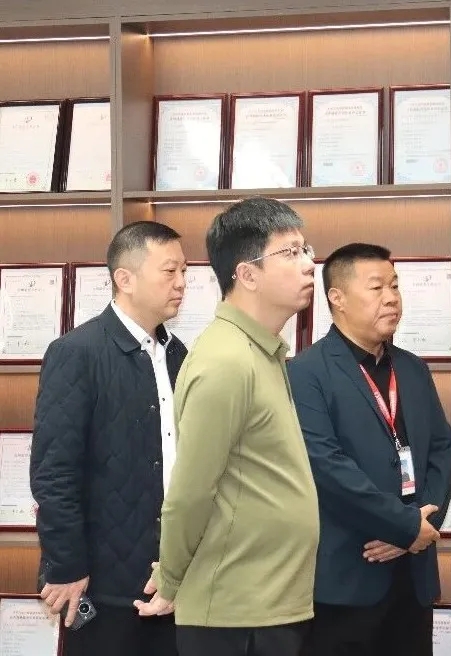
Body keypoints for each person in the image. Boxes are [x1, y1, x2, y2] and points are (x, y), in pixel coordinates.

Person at [133, 197, 320, 656]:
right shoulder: (226, 361)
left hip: (267, 603)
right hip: (235, 615)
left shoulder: (260, 351)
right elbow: (190, 492)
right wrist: (171, 578)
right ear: (247, 274)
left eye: (306, 249)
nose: (309, 264)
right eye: (291, 252)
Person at [287, 242, 451, 656]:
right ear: (337, 297)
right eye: (377, 287)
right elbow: (326, 467)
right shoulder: (306, 372)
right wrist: (405, 526)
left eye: (395, 286)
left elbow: (442, 447)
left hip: (412, 575)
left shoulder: (412, 368)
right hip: (347, 577)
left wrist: (418, 528)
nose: (391, 298)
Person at [30, 221, 188, 656]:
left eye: (184, 272)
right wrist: (66, 564)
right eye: (169, 271)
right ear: (125, 278)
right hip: (103, 580)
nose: (181, 283)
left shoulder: (177, 353)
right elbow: (54, 471)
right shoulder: (76, 352)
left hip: (171, 576)